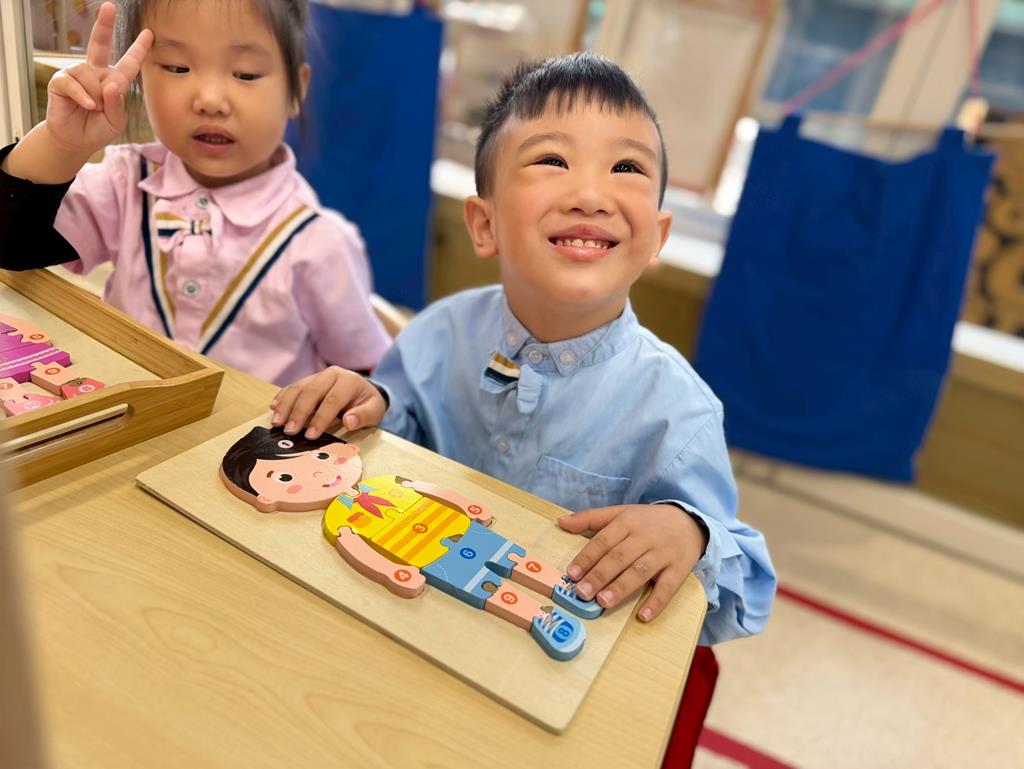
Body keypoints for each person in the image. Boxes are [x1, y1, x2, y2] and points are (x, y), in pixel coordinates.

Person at [270, 52, 776, 640]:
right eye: (553, 160)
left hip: (550, 649)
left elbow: (749, 593)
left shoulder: (680, 411)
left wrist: (691, 534)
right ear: (485, 225)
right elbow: (399, 440)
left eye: (626, 167)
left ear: (657, 237)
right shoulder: (441, 330)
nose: (591, 194)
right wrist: (369, 403)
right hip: (405, 610)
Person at [0, 0, 390, 385]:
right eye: (177, 68)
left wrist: (355, 391)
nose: (210, 101)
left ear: (296, 90)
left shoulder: (319, 243)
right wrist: (61, 145)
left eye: (246, 74)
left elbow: (367, 379)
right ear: (140, 79)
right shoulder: (126, 182)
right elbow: (14, 243)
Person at [220, 426, 600, 660]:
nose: (318, 471)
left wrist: (466, 505)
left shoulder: (386, 483)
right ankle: (538, 617)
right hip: (429, 558)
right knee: (488, 588)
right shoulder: (335, 519)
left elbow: (427, 489)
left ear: (347, 450)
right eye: (284, 478)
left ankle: (560, 585)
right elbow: (355, 548)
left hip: (460, 528)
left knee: (514, 556)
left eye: (321, 455)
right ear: (266, 496)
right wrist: (391, 571)